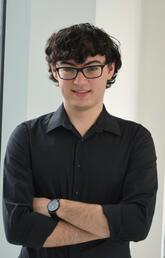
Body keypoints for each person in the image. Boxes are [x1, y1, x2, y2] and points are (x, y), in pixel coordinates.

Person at [3, 23, 158, 258]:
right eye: (69, 69)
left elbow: (137, 224)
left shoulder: (137, 139)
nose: (80, 81)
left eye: (92, 68)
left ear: (110, 69)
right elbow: (17, 228)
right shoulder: (25, 137)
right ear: (55, 71)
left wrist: (53, 207)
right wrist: (110, 225)